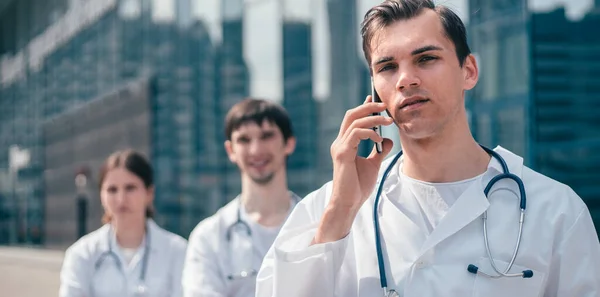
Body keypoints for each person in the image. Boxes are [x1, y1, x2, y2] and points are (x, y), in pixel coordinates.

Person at [255, 1, 600, 296]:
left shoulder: (556, 212)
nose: (406, 78)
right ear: (374, 89)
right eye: (387, 67)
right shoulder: (328, 211)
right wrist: (341, 212)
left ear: (469, 71)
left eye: (425, 59)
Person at [182, 98, 302, 297]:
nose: (256, 150)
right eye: (244, 140)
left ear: (289, 144)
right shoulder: (209, 237)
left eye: (267, 136)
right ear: (231, 150)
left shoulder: (317, 223)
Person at [59, 149, 188, 297]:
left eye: (130, 188)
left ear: (149, 193)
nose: (121, 199)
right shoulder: (81, 255)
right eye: (112, 190)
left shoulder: (178, 252)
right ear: (101, 196)